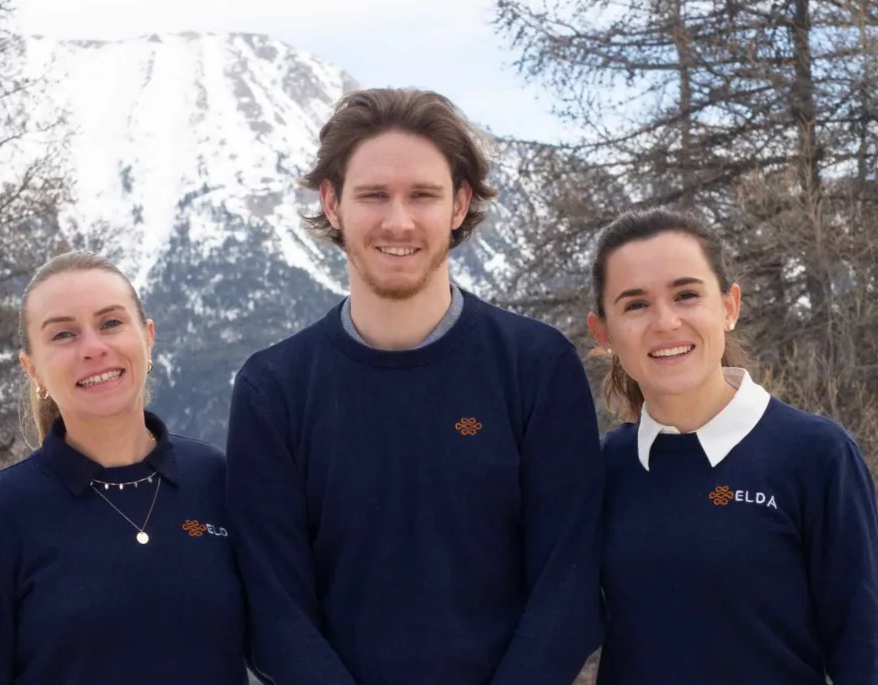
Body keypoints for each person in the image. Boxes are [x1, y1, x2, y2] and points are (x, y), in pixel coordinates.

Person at [225, 87, 605, 685]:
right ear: (332, 203)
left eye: (422, 195)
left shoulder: (536, 367)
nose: (397, 220)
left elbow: (570, 584)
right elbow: (273, 611)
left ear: (458, 204)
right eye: (373, 195)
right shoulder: (273, 389)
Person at [587, 208, 878, 684]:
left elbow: (867, 656)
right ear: (603, 333)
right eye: (635, 304)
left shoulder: (816, 455)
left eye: (687, 294)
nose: (665, 321)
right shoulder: (603, 467)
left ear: (729, 306)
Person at [0, 251, 248, 685]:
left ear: (148, 337)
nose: (94, 348)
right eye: (64, 334)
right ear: (33, 369)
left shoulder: (215, 478)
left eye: (110, 323)